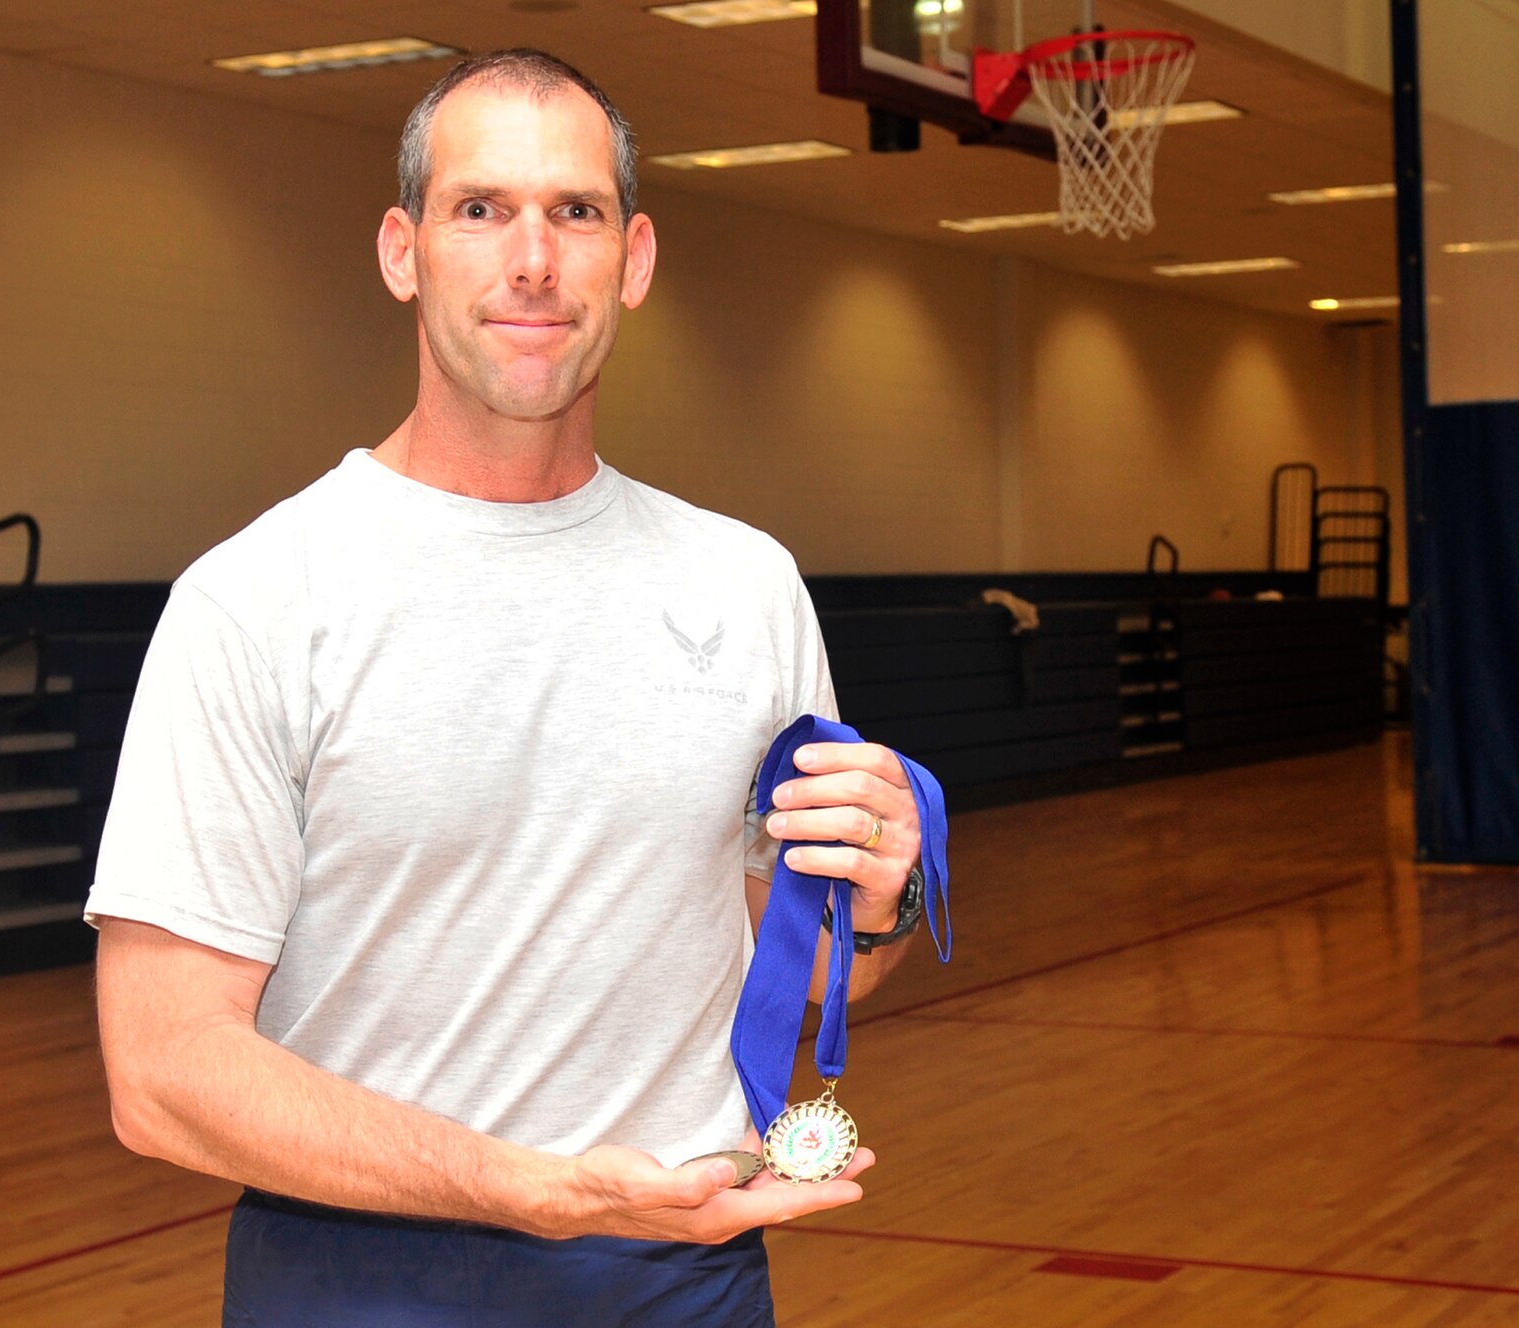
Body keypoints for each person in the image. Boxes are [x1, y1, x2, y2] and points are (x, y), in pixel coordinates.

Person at [87, 48, 927, 1327]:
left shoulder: (746, 584)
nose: (530, 258)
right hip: (362, 1278)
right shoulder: (256, 600)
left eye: (573, 212)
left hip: (681, 1276)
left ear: (632, 260)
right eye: (479, 209)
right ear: (402, 251)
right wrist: (523, 1186)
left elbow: (804, 980)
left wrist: (871, 913)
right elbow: (161, 1070)